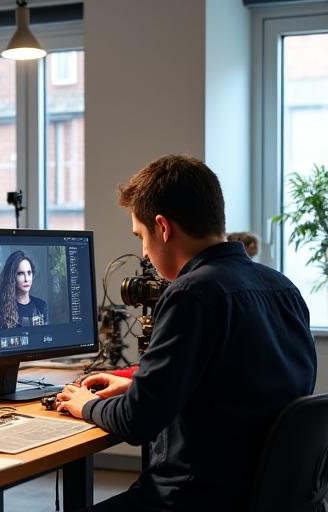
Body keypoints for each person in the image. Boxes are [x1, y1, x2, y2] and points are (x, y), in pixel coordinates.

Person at [55, 154, 317, 511]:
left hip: (191, 499)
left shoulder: (191, 294)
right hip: (264, 498)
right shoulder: (283, 288)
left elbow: (136, 421)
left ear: (163, 228)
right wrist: (137, 386)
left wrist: (86, 405)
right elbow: (238, 390)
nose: (143, 251)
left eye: (140, 236)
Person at [0, 250, 48, 330]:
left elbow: (46, 335)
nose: (26, 279)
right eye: (20, 273)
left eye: (29, 273)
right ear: (12, 277)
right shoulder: (0, 308)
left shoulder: (41, 306)